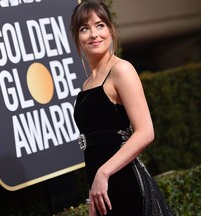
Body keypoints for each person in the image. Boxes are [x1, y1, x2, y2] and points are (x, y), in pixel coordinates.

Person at [70, 1, 172, 215]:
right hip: (103, 192)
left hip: (127, 186)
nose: (93, 34)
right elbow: (95, 148)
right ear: (77, 37)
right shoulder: (87, 84)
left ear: (111, 29)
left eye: (100, 25)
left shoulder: (122, 70)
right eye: (84, 28)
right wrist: (93, 197)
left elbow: (145, 132)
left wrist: (103, 174)